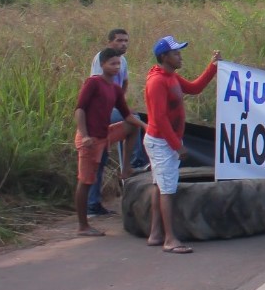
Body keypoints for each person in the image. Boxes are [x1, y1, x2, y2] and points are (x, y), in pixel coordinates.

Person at [143, 36, 220, 254]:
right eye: (176, 53)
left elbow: (195, 88)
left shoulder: (171, 77)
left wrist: (212, 67)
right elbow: (158, 118)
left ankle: (156, 233)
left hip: (164, 141)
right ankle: (170, 239)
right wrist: (177, 145)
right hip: (161, 142)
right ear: (164, 57)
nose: (180, 56)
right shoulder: (157, 81)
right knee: (168, 189)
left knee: (160, 185)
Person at [74, 48, 144, 236]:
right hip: (90, 139)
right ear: (102, 64)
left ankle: (126, 168)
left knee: (133, 126)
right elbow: (79, 109)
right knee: (86, 181)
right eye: (112, 63)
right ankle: (83, 225)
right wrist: (85, 135)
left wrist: (148, 126)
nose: (116, 67)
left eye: (118, 64)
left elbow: (127, 115)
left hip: (105, 135)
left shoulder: (114, 88)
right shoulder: (93, 83)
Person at [86, 28, 140, 216]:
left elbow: (124, 82)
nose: (123, 44)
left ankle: (93, 204)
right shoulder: (102, 59)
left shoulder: (122, 60)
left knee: (101, 160)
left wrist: (120, 102)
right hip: (100, 114)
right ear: (110, 42)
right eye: (119, 40)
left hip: (112, 108)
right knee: (135, 122)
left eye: (126, 40)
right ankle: (133, 164)